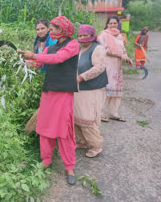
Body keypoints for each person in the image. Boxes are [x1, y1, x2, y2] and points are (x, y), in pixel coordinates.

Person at [18, 16, 79, 185]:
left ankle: (69, 166)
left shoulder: (72, 45)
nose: (50, 32)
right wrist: (22, 60)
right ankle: (46, 161)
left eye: (52, 29)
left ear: (62, 30)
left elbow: (58, 59)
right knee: (44, 127)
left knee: (64, 130)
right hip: (48, 92)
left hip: (63, 94)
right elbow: (36, 63)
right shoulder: (51, 48)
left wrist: (35, 56)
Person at [75, 24, 108, 158]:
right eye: (80, 35)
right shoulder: (78, 49)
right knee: (77, 116)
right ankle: (84, 141)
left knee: (88, 118)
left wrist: (82, 77)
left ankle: (96, 144)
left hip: (91, 88)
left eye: (85, 35)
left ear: (92, 36)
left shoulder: (97, 48)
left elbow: (99, 67)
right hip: (78, 88)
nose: (82, 38)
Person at [97, 15, 133, 122]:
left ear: (118, 24)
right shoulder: (103, 35)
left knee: (117, 89)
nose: (113, 25)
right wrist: (120, 56)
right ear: (107, 24)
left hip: (117, 66)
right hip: (107, 64)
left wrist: (127, 58)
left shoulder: (120, 36)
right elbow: (104, 50)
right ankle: (100, 113)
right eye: (110, 23)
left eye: (115, 23)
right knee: (107, 88)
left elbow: (122, 50)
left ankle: (113, 113)